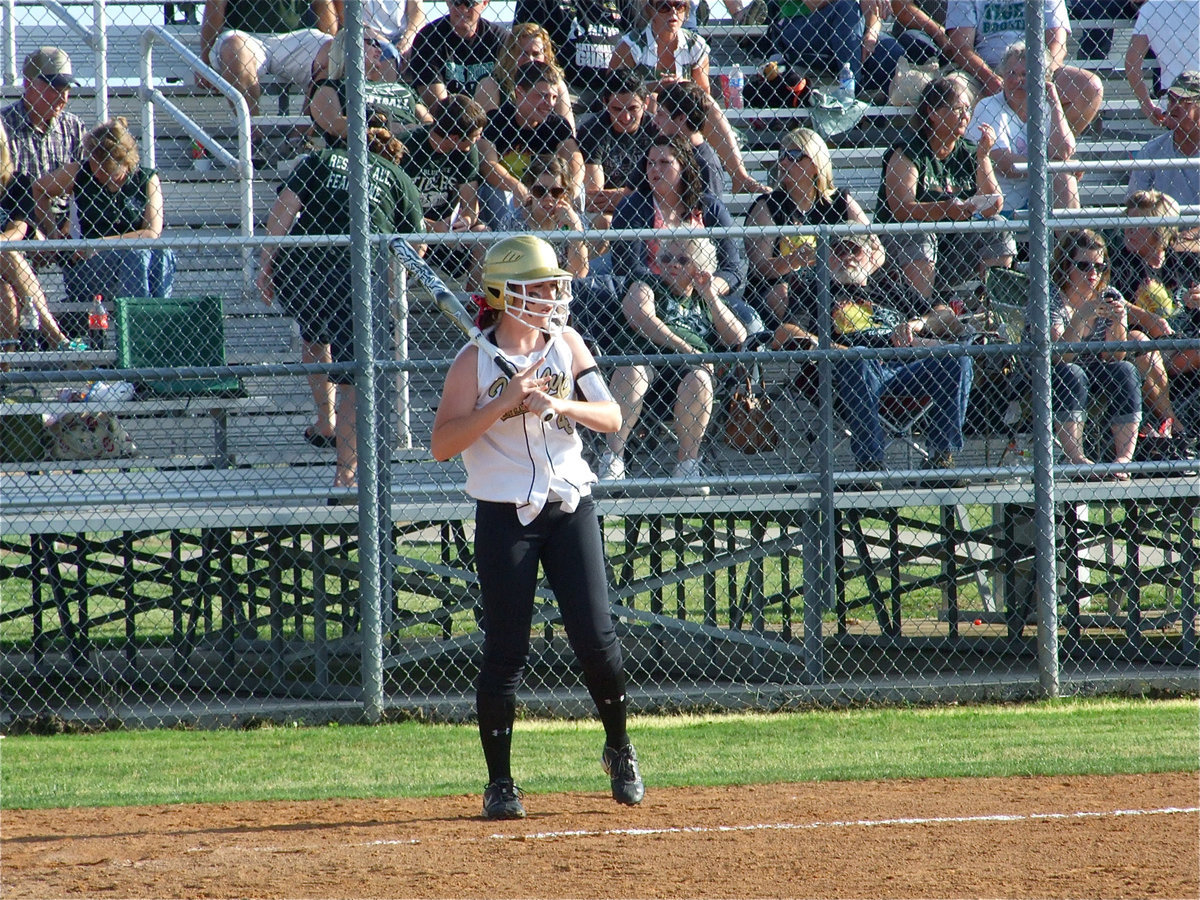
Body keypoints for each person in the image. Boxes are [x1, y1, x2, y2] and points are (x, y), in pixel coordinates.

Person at [429, 234, 644, 819]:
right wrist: (502, 404)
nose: (552, 296)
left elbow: (611, 415)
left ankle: (619, 747)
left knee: (597, 640)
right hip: (505, 514)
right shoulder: (473, 362)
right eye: (540, 287)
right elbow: (442, 445)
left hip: (569, 505)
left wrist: (559, 405)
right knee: (506, 650)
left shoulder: (567, 344)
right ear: (506, 294)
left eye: (553, 285)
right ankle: (500, 784)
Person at [258, 122, 424, 485]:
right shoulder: (396, 175)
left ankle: (325, 420)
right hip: (360, 276)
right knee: (354, 378)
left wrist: (266, 263)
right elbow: (416, 244)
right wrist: (396, 288)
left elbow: (286, 207)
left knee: (315, 336)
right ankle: (346, 473)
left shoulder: (322, 159)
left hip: (306, 268)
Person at [790, 232, 976, 487]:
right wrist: (835, 349)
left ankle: (941, 460)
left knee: (957, 358)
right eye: (839, 251)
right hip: (850, 372)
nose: (847, 257)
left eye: (854, 250)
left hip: (905, 368)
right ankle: (870, 465)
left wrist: (917, 324)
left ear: (869, 257)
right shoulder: (816, 291)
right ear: (826, 258)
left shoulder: (890, 289)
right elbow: (787, 331)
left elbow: (948, 318)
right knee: (859, 357)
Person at [597, 235, 748, 489]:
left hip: (686, 378)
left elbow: (738, 337)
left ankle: (687, 466)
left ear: (700, 266)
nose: (673, 265)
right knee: (631, 371)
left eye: (683, 260)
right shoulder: (645, 284)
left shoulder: (704, 299)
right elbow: (640, 317)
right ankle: (613, 459)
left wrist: (710, 294)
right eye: (666, 258)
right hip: (645, 360)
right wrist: (685, 348)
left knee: (700, 378)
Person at [876, 77, 1014, 300]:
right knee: (919, 231)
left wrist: (983, 156)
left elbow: (994, 205)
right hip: (900, 249)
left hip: (952, 249)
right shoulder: (908, 151)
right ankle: (921, 314)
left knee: (998, 226)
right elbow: (901, 209)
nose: (965, 116)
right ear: (933, 112)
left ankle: (993, 310)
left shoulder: (969, 151)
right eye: (958, 108)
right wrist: (946, 210)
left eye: (967, 109)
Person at [609, 0, 763, 194]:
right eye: (664, 6)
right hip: (643, 119)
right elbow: (613, 90)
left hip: (683, 120)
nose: (672, 12)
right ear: (651, 10)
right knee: (656, 101)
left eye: (679, 6)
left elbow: (703, 93)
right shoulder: (630, 45)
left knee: (709, 105)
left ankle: (740, 177)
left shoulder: (695, 44)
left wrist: (682, 86)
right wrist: (653, 87)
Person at [743, 126, 883, 327]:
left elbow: (878, 250)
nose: (782, 162)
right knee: (782, 293)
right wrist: (793, 261)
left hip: (834, 283)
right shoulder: (768, 205)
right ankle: (803, 341)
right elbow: (759, 267)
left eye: (794, 155)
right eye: (782, 155)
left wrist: (854, 270)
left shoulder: (840, 201)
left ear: (816, 163)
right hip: (783, 287)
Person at [34, 118, 176, 307]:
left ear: (124, 161)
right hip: (89, 267)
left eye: (105, 168)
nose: (97, 173)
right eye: (94, 164)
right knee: (137, 255)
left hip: (120, 256)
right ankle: (135, 327)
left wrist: (97, 244)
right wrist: (53, 234)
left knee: (162, 253)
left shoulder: (146, 179)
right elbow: (39, 190)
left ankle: (155, 321)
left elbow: (152, 233)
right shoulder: (81, 172)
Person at [1042, 229, 1142, 479]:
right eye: (1083, 265)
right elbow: (1058, 357)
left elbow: (1115, 357)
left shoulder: (1109, 296)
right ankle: (1077, 459)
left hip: (1096, 371)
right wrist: (1082, 316)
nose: (1093, 274)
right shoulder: (1050, 297)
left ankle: (1123, 460)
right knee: (1072, 372)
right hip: (1053, 374)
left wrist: (1119, 321)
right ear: (1066, 265)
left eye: (1099, 266)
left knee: (1126, 370)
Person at [611, 134, 745, 304]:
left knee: (749, 323)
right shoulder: (632, 207)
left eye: (664, 162)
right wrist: (677, 286)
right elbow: (630, 268)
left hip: (707, 296)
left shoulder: (710, 207)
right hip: (654, 296)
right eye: (650, 163)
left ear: (684, 166)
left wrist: (708, 288)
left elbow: (732, 269)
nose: (655, 169)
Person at [943, 0, 1103, 136]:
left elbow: (1058, 45)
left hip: (1038, 69)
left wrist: (1039, 77)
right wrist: (990, 78)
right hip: (984, 72)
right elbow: (961, 47)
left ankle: (1050, 152)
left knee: (1090, 86)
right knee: (951, 92)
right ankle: (970, 161)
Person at [966, 41, 1080, 215]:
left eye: (1026, 74)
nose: (1018, 80)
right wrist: (1053, 167)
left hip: (1042, 201)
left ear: (1043, 79)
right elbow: (1006, 164)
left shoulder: (1047, 108)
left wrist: (1055, 101)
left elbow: (1064, 151)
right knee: (1063, 171)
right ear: (1002, 75)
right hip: (1002, 205)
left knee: (1065, 177)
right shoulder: (989, 106)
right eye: (1012, 73)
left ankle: (1071, 241)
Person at [0, 119, 82, 352]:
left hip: (5, 267)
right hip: (9, 258)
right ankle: (57, 338)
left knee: (5, 290)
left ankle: (6, 373)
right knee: (9, 255)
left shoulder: (16, 183)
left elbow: (18, 230)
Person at [399, 93, 489, 288]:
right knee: (412, 240)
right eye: (475, 136)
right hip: (409, 227)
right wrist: (433, 227)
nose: (478, 139)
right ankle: (395, 307)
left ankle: (472, 304)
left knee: (483, 234)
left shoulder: (465, 150)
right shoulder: (405, 146)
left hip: (448, 229)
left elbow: (470, 202)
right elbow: (394, 211)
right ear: (455, 138)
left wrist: (465, 220)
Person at [478, 61, 584, 225]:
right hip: (508, 189)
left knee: (580, 190)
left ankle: (572, 240)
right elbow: (487, 164)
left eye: (554, 97)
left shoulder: (557, 124)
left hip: (544, 191)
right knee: (497, 193)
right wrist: (516, 186)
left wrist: (570, 191)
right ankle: (504, 242)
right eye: (542, 96)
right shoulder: (497, 120)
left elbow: (575, 158)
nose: (549, 103)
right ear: (519, 92)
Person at [199, 0, 337, 116]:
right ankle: (254, 136)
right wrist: (204, 63)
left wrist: (332, 45)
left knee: (333, 53)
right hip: (244, 35)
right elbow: (215, 5)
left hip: (297, 37)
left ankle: (301, 138)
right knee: (233, 49)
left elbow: (323, 4)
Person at [307, 28, 430, 148]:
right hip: (372, 147)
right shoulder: (331, 86)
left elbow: (428, 122)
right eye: (372, 43)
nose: (380, 50)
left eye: (379, 45)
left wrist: (415, 132)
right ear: (348, 46)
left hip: (414, 145)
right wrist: (382, 128)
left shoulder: (403, 88)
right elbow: (335, 124)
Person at [768, 0, 907, 100]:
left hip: (848, 31)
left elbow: (872, 8)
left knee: (891, 51)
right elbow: (813, 4)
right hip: (797, 27)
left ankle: (875, 120)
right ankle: (854, 89)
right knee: (847, 6)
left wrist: (871, 35)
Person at [578, 70, 659, 228]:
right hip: (608, 211)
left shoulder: (657, 129)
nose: (626, 117)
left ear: (646, 103)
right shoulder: (592, 131)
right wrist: (635, 195)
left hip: (648, 204)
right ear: (605, 103)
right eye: (617, 109)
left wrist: (624, 196)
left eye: (632, 108)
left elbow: (667, 188)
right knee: (605, 223)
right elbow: (595, 197)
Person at [405, 0, 509, 107]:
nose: (463, 9)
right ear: (448, 2)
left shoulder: (499, 38)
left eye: (470, 3)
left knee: (488, 85)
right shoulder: (429, 37)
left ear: (484, 3)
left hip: (488, 118)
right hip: (446, 118)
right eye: (456, 2)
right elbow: (437, 105)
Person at [473, 22, 576, 129]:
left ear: (546, 56)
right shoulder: (491, 84)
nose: (530, 60)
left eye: (536, 54)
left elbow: (569, 132)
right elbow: (485, 135)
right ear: (511, 54)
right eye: (523, 53)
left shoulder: (556, 85)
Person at [1126, 71, 1200, 217]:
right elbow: (1133, 207)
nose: (1174, 106)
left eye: (1184, 101)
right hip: (1163, 234)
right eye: (1172, 99)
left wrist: (1191, 236)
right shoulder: (1151, 151)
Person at [512, 0, 627, 93]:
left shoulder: (622, 3)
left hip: (615, 90)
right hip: (566, 88)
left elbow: (637, 36)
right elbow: (522, 45)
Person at [510, 154, 590, 277]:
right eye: (540, 191)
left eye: (556, 191)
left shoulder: (575, 220)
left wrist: (575, 227)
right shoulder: (514, 222)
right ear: (530, 189)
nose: (548, 198)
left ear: (565, 192)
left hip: (566, 287)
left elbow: (579, 274)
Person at [1124, 0, 1199, 126]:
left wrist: (1147, 106)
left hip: (1173, 101)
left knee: (1175, 144)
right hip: (1180, 99)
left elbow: (1132, 61)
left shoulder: (1151, 8)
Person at [334, 0, 425, 59]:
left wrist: (408, 40)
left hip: (403, 36)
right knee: (389, 52)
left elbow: (418, 12)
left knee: (427, 49)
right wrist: (387, 44)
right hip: (367, 36)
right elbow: (348, 17)